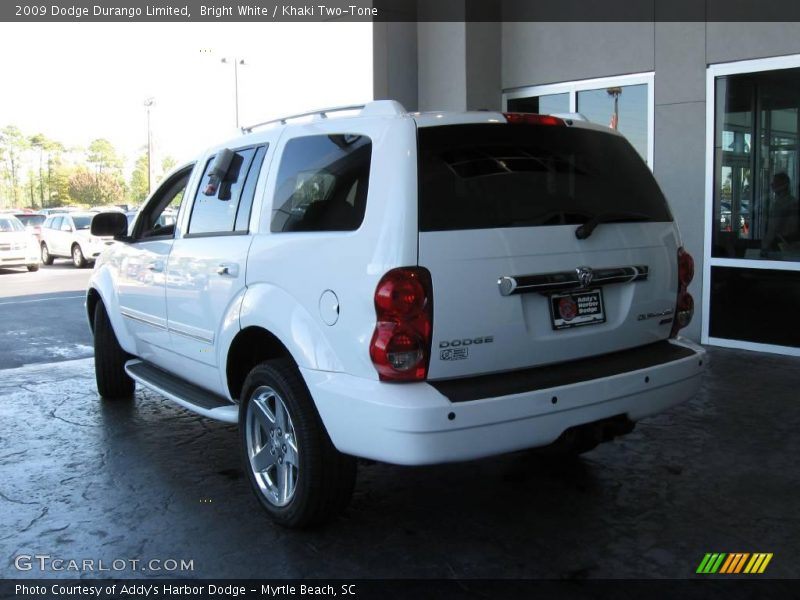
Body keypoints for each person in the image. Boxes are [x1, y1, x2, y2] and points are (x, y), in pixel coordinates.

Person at [762, 172, 799, 253]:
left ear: (784, 185)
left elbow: (773, 229)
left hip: (781, 245)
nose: (772, 185)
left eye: (775, 182)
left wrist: (764, 246)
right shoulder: (792, 201)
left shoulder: (782, 204)